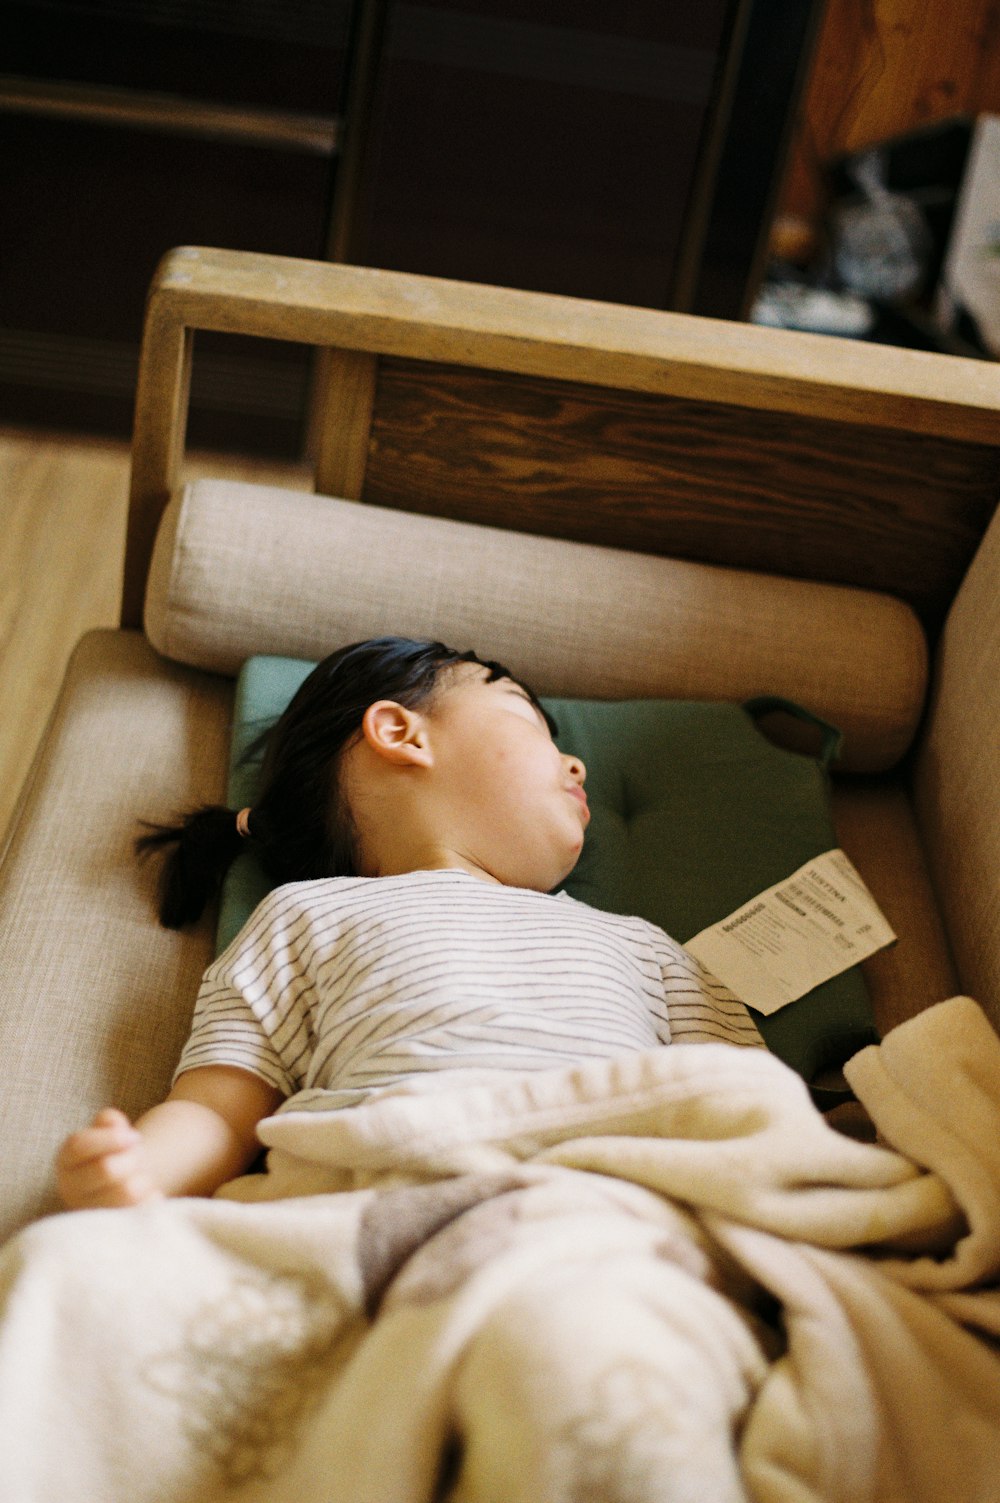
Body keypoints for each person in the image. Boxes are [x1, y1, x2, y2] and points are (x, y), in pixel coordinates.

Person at [55, 636, 763, 1212]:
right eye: (529, 720)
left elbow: (751, 1109)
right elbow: (217, 1111)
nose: (575, 759)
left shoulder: (640, 946)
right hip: (378, 1197)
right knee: (56, 1262)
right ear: (400, 732)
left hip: (600, 1207)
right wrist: (141, 1170)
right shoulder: (307, 915)